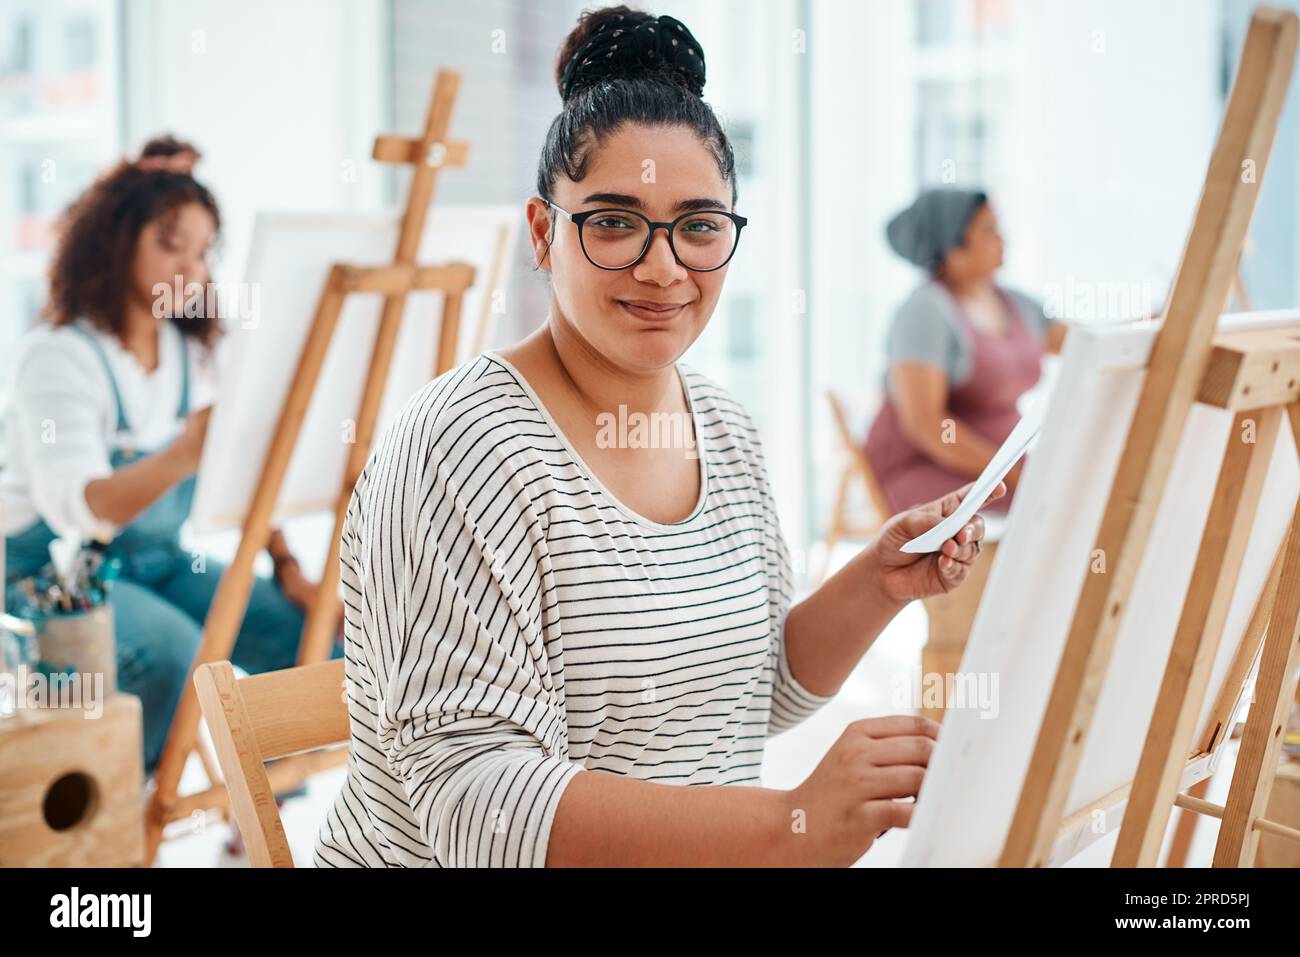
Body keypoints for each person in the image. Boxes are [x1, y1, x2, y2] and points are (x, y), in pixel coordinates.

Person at [314, 6, 996, 869]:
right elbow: (475, 802)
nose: (663, 267)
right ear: (541, 232)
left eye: (700, 225)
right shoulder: (459, 446)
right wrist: (788, 824)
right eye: (613, 221)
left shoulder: (727, 430)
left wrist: (876, 583)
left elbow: (750, 696)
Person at [1, 135, 335, 775]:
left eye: (204, 250)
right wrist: (184, 453)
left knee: (317, 640)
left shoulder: (192, 353)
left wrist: (289, 565)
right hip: (51, 577)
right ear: (114, 240)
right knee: (170, 654)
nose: (191, 268)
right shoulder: (59, 355)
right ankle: (122, 817)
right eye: (170, 243)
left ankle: (263, 801)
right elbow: (85, 511)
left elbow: (248, 475)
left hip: (157, 561)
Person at [864, 188, 1067, 514]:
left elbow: (1085, 343)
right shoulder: (926, 311)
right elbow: (925, 424)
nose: (1003, 240)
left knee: (1070, 489)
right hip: (925, 468)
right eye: (988, 230)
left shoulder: (1012, 303)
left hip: (1001, 467)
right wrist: (1013, 474)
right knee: (1054, 503)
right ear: (952, 244)